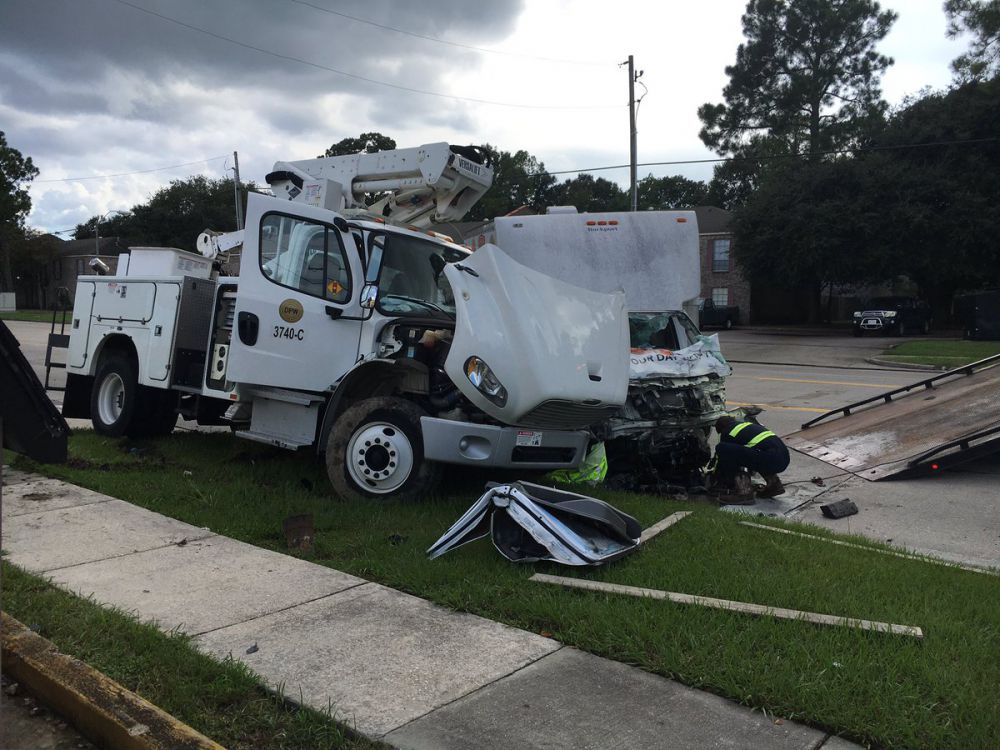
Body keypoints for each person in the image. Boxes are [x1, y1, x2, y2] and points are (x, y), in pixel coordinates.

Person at [708, 415, 789, 503]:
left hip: (770, 459)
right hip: (784, 458)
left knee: (722, 448)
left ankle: (744, 493)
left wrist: (719, 478)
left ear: (721, 429)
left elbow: (722, 460)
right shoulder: (747, 426)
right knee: (756, 452)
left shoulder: (728, 432)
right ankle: (774, 485)